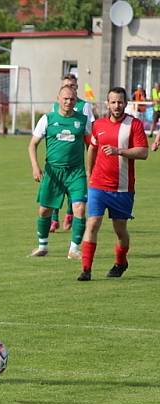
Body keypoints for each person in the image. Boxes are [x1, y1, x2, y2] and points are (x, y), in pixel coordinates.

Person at [78, 87, 149, 281]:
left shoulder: (134, 125)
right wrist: (89, 172)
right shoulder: (98, 124)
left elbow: (143, 152)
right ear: (107, 104)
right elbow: (92, 148)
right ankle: (86, 269)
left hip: (123, 188)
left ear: (125, 103)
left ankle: (121, 262)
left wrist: (119, 151)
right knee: (92, 224)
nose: (116, 106)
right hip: (98, 186)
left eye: (120, 102)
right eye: (113, 102)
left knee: (120, 230)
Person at [27, 86, 90, 260]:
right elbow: (33, 144)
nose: (68, 102)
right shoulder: (47, 119)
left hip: (76, 172)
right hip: (53, 172)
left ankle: (74, 249)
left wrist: (91, 168)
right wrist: (35, 167)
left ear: (76, 100)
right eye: (65, 99)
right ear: (58, 99)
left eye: (72, 99)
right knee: (44, 210)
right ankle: (43, 246)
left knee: (80, 207)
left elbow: (90, 146)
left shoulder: (83, 120)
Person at [49, 74, 96, 232]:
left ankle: (69, 214)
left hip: (76, 153)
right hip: (57, 156)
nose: (70, 88)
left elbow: (91, 131)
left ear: (77, 87)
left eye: (73, 86)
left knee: (74, 188)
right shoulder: (55, 106)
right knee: (55, 185)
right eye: (67, 85)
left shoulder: (84, 106)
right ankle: (54, 219)